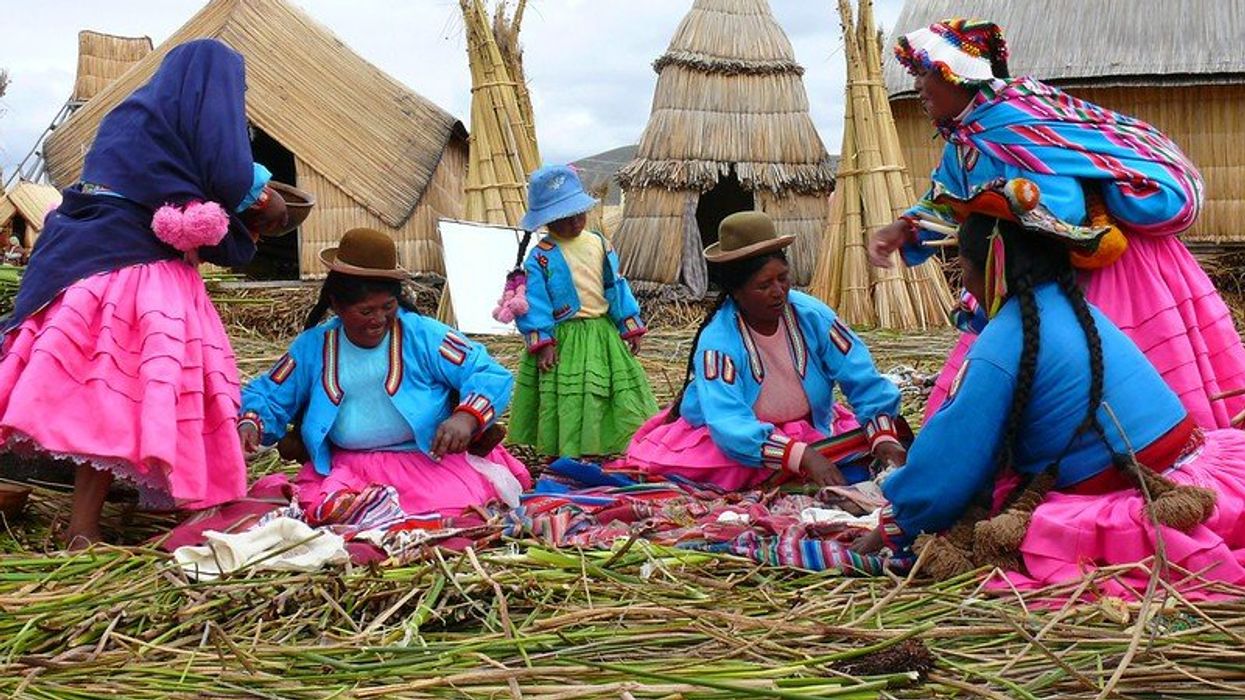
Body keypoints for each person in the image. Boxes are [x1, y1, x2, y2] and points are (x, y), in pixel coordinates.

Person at [868, 19, 1245, 428]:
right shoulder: (964, 140)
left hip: (1094, 271)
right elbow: (944, 199)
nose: (917, 86)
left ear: (954, 73)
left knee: (1116, 387)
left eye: (924, 73)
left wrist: (996, 210)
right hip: (1022, 276)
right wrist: (906, 227)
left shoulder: (1018, 122)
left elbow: (1062, 207)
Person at [853, 205, 1245, 598]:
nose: (964, 283)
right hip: (1204, 476)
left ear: (993, 267)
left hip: (1139, 506)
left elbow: (950, 464)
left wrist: (894, 524)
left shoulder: (1003, 344)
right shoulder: (1075, 306)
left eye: (964, 267)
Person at [0, 40, 287, 547]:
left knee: (96, 394)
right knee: (131, 396)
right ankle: (91, 526)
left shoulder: (130, 118)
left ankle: (89, 521)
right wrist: (267, 205)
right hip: (138, 273)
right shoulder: (199, 133)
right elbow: (229, 175)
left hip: (79, 261)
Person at [238, 228, 531, 517]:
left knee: (446, 513)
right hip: (348, 470)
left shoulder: (423, 336)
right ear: (337, 306)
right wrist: (252, 423)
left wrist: (466, 418)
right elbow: (270, 393)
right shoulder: (314, 347)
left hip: (427, 464)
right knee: (326, 513)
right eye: (366, 312)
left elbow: (487, 372)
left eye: (388, 307)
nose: (379, 319)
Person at [624, 211, 907, 490]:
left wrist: (883, 437)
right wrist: (803, 457)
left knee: (877, 448)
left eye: (783, 278)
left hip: (808, 428)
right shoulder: (718, 343)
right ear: (736, 291)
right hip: (734, 438)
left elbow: (861, 376)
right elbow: (728, 422)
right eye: (764, 285)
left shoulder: (813, 317)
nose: (778, 291)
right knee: (729, 471)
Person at [508, 164, 658, 458]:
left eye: (579, 213)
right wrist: (543, 342)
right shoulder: (540, 256)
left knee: (608, 391)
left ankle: (611, 447)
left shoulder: (599, 243)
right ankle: (569, 451)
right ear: (547, 220)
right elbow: (535, 302)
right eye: (565, 217)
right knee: (572, 397)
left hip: (603, 333)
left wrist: (629, 325)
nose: (575, 222)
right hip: (564, 339)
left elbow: (615, 286)